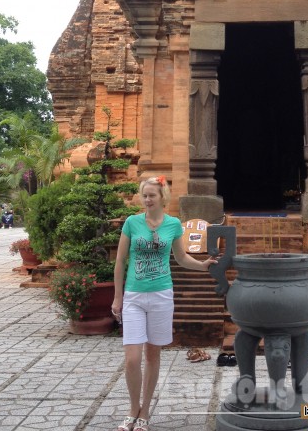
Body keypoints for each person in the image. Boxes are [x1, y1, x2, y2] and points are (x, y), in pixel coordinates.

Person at [111, 176, 218, 431]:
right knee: (132, 358)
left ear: (162, 198)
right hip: (134, 297)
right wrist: (118, 296)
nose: (147, 200)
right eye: (144, 195)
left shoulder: (173, 225)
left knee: (153, 355)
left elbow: (181, 258)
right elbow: (119, 261)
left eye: (152, 196)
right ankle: (132, 408)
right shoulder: (131, 223)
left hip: (161, 296)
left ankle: (145, 412)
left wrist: (202, 265)